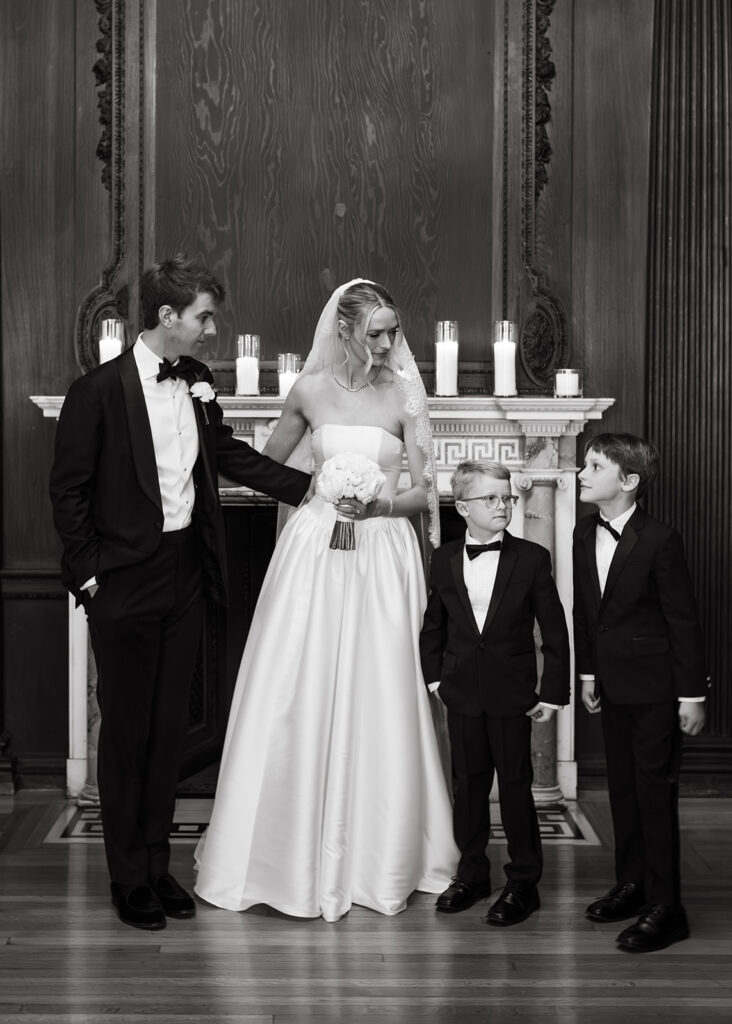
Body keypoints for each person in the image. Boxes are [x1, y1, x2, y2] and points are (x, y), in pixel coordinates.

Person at [49, 255, 311, 931]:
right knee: (127, 732)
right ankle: (126, 875)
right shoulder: (96, 393)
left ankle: (159, 868)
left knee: (168, 730)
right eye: (203, 316)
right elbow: (69, 493)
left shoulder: (195, 384)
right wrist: (90, 578)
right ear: (168, 317)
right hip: (122, 582)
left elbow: (226, 456)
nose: (209, 329)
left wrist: (312, 489)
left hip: (186, 573)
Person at [194, 279, 459, 922]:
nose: (389, 343)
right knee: (297, 681)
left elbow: (425, 493)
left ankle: (385, 852)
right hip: (316, 553)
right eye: (376, 332)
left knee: (383, 684)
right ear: (344, 331)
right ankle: (280, 853)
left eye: (394, 330)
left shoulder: (404, 396)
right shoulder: (309, 391)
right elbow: (265, 470)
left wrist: (376, 504)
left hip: (383, 553)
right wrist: (319, 495)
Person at [419, 460, 570, 925]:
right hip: (461, 691)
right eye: (490, 498)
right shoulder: (443, 558)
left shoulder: (530, 557)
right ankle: (472, 873)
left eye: (507, 497)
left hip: (512, 691)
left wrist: (552, 692)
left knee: (517, 787)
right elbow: (434, 625)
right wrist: (435, 680)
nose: (502, 505)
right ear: (462, 507)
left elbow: (555, 629)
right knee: (468, 786)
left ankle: (523, 881)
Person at [573, 433, 708, 952]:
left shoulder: (660, 539)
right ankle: (632, 886)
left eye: (594, 466)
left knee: (654, 794)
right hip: (611, 687)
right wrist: (588, 675)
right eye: (583, 464)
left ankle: (667, 906)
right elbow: (587, 615)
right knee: (623, 791)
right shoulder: (585, 535)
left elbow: (683, 621)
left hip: (656, 690)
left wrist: (691, 694)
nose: (582, 474)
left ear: (628, 482)